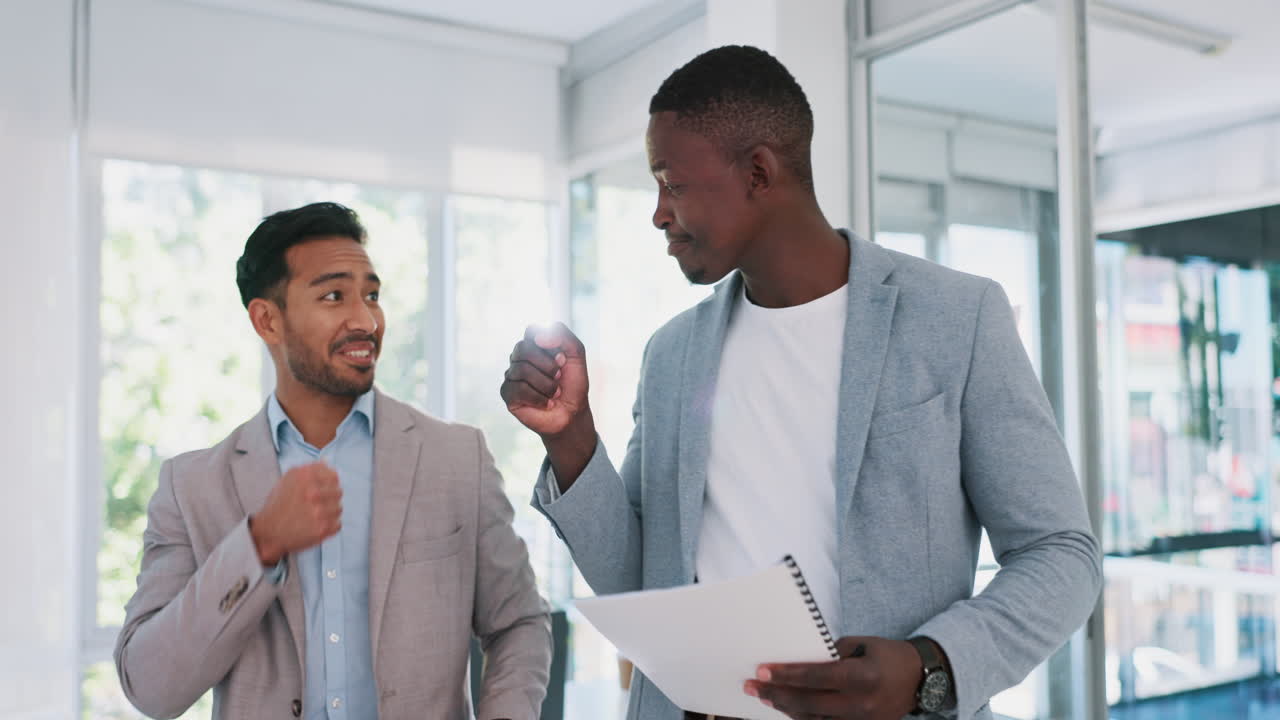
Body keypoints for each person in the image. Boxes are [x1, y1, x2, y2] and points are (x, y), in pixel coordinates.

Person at [500, 46, 1101, 720]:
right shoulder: (671, 354)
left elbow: (1061, 556)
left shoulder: (957, 318)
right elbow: (640, 582)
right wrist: (571, 438)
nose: (659, 213)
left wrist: (927, 666)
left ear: (758, 172)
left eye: (672, 183)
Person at [116, 202, 550, 720]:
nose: (365, 320)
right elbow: (150, 687)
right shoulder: (192, 487)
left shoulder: (457, 459)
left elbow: (519, 622)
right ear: (267, 320)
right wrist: (260, 543)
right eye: (333, 296)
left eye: (372, 295)